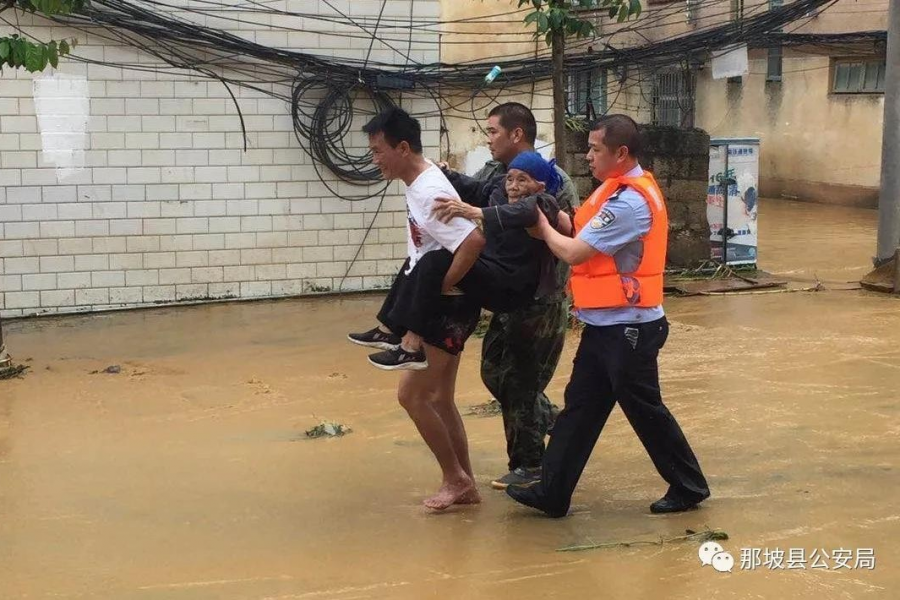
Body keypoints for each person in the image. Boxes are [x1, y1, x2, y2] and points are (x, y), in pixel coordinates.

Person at [506, 114, 711, 517]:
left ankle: (689, 486)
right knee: (580, 407)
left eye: (595, 149)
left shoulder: (630, 201)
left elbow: (575, 251)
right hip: (606, 324)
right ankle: (552, 491)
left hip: (631, 327)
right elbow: (579, 228)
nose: (588, 156)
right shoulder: (610, 190)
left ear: (620, 153)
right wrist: (555, 218)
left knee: (644, 409)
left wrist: (543, 228)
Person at [436, 102, 579, 491]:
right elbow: (474, 190)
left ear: (517, 134)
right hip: (504, 293)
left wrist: (548, 296)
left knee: (519, 384)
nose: (489, 139)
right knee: (493, 373)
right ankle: (553, 421)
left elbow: (562, 233)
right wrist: (440, 175)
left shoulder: (554, 182)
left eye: (494, 132)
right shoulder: (492, 175)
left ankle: (529, 465)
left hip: (538, 298)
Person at [357, 107, 485, 511]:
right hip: (446, 303)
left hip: (448, 307)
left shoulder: (429, 190)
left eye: (378, 151)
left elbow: (473, 241)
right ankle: (465, 485)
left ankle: (454, 479)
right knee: (440, 398)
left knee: (412, 396)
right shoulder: (419, 179)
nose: (374, 159)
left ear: (403, 147)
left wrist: (443, 287)